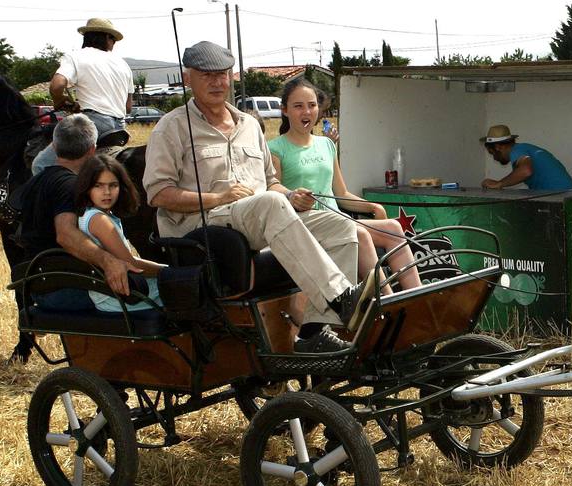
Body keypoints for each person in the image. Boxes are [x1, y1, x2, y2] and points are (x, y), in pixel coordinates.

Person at [144, 41, 364, 354]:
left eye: (222, 74)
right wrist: (216, 197)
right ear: (187, 78)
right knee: (270, 204)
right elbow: (158, 194)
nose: (217, 82)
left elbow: (271, 183)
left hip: (256, 219)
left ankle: (314, 330)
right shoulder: (172, 127)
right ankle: (341, 297)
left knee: (340, 226)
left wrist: (291, 195)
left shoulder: (249, 124)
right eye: (206, 75)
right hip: (202, 230)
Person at [269, 76, 421, 295]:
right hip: (305, 226)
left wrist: (372, 206)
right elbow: (273, 191)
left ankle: (416, 298)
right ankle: (389, 302)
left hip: (337, 220)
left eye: (312, 105)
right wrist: (293, 196)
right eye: (298, 106)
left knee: (394, 228)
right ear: (285, 110)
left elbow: (341, 193)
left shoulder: (326, 144)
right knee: (360, 233)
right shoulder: (275, 148)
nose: (307, 112)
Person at [13, 114, 142, 311]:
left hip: (38, 284)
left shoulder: (35, 182)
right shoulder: (70, 186)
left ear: (55, 147)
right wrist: (108, 261)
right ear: (92, 150)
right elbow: (65, 234)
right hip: (66, 287)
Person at [35, 17, 134, 174]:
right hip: (120, 129)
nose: (114, 43)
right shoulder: (123, 65)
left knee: (40, 164)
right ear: (105, 37)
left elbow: (56, 86)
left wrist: (60, 102)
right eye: (113, 39)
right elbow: (128, 107)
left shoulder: (76, 57)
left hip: (92, 124)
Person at [75, 153, 163, 313]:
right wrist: (168, 271)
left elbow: (127, 258)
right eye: (98, 186)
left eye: (113, 185)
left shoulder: (96, 214)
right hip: (118, 296)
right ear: (87, 188)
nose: (107, 192)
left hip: (117, 292)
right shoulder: (98, 219)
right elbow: (132, 264)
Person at [479, 124, 572, 190]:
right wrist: (498, 183)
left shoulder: (517, 150)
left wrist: (499, 184)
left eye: (492, 153)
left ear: (498, 147)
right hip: (568, 196)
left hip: (560, 197)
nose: (495, 158)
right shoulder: (525, 148)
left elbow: (526, 171)